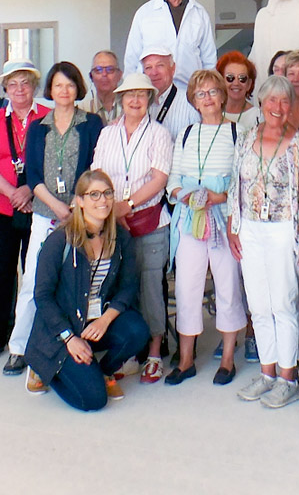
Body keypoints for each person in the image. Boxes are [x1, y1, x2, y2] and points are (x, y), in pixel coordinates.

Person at [5, 62, 103, 391]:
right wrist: (59, 207)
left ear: (78, 89)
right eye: (58, 86)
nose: (64, 91)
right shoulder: (38, 127)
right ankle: (19, 349)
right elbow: (33, 176)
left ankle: (78, 346)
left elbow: (93, 168)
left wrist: (76, 205)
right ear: (50, 89)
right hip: (47, 214)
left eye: (70, 85)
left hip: (82, 214)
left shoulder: (91, 123)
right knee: (34, 281)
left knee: (80, 283)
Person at [27, 170, 150, 411]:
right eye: (93, 194)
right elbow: (42, 296)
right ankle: (44, 366)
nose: (102, 200)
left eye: (107, 194)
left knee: (137, 331)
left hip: (94, 322)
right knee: (93, 400)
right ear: (79, 201)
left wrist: (106, 320)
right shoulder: (60, 240)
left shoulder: (119, 238)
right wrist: (69, 338)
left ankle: (101, 371)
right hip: (62, 330)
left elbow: (128, 287)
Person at [228, 75, 299, 409]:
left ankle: (287, 377)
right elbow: (236, 181)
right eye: (271, 101)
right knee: (259, 306)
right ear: (261, 104)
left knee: (283, 304)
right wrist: (235, 226)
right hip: (250, 227)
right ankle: (267, 374)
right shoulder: (248, 137)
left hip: (282, 231)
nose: (277, 108)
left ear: (290, 105)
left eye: (284, 101)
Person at [91, 72, 173, 385]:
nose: (135, 100)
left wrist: (127, 206)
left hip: (148, 221)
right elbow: (97, 173)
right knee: (120, 287)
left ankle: (153, 353)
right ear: (121, 99)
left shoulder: (159, 133)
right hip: (112, 222)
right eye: (129, 95)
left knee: (151, 288)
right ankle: (129, 351)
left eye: (141, 94)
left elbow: (159, 178)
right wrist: (112, 208)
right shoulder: (108, 133)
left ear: (150, 99)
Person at [167, 69, 246, 386]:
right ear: (194, 101)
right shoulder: (186, 134)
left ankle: (227, 358)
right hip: (189, 219)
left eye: (214, 91)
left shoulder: (238, 133)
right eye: (201, 94)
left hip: (224, 219)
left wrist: (220, 196)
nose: (208, 98)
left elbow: (244, 180)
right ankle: (186, 359)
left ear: (223, 96)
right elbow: (172, 180)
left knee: (228, 285)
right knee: (187, 288)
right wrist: (186, 196)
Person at [0, 60, 49, 362]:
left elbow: (51, 160)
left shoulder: (47, 117)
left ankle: (33, 336)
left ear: (34, 87)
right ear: (4, 88)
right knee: (1, 274)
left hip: (40, 207)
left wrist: (30, 189)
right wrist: (12, 194)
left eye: (26, 83)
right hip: (0, 210)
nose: (19, 89)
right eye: (13, 83)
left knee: (36, 275)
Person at [123, 0, 216, 90]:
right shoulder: (145, 13)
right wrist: (130, 89)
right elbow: (132, 57)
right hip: (152, 90)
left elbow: (209, 59)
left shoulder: (199, 13)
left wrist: (208, 90)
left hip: (189, 91)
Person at [142, 45, 201, 141]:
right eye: (148, 67)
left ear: (173, 69)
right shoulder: (137, 105)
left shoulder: (190, 103)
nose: (154, 73)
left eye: (160, 65)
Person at [217, 51, 262, 132]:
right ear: (221, 81)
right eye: (230, 78)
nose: (236, 83)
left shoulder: (258, 116)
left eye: (242, 78)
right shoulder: (211, 111)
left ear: (249, 84)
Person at [82, 50, 123, 123]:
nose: (104, 74)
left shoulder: (130, 107)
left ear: (119, 75)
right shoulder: (83, 109)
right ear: (91, 76)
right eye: (98, 70)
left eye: (110, 69)